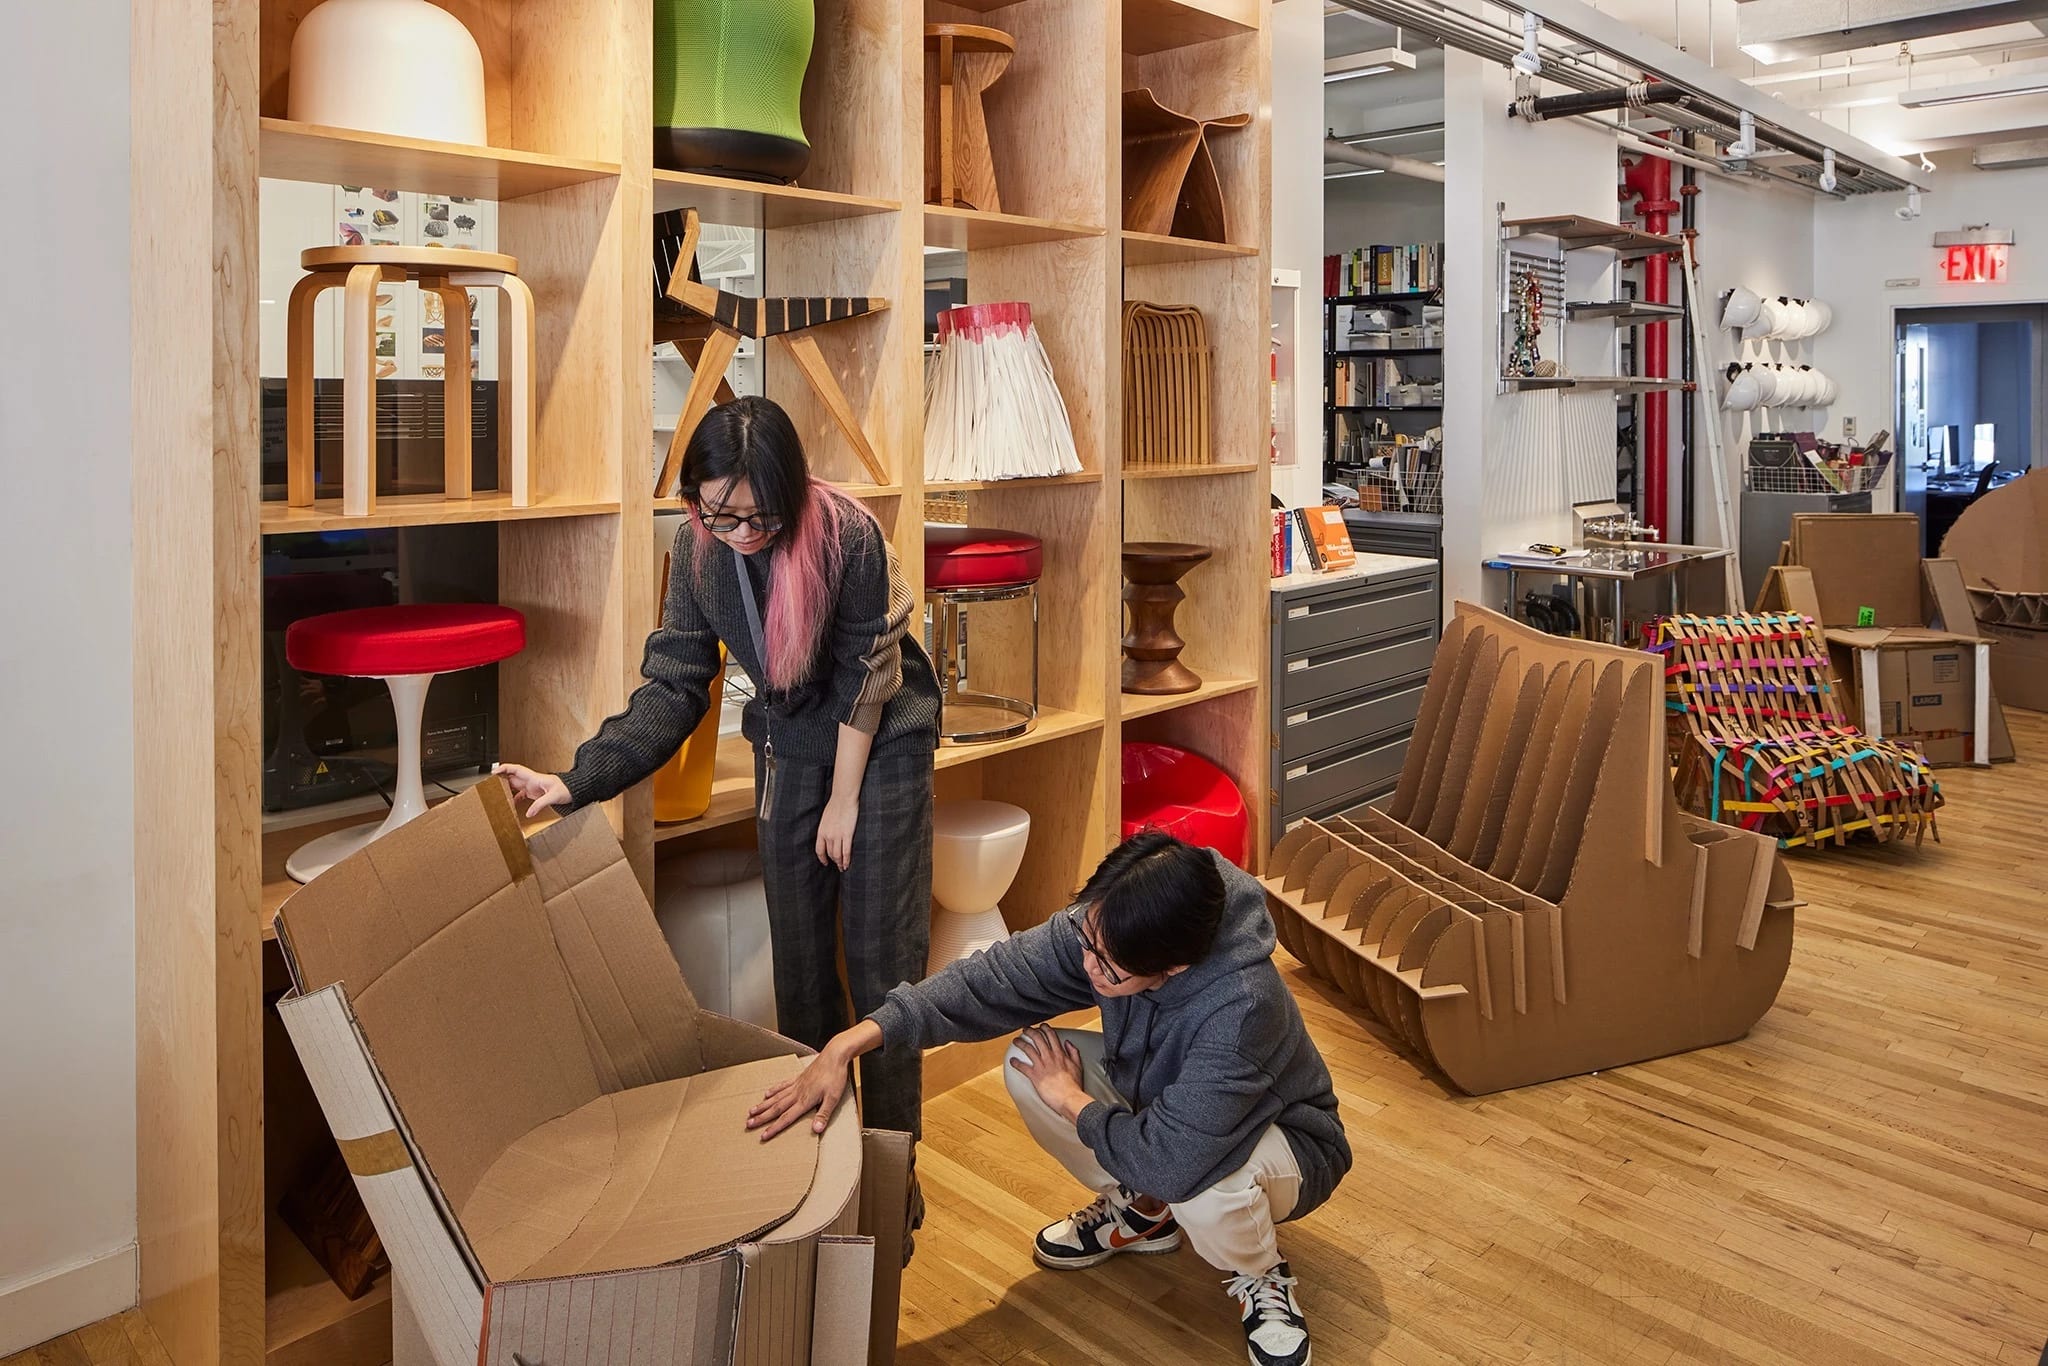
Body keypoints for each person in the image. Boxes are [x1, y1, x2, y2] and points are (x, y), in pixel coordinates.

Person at [496, 394, 942, 1174]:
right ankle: (824, 1176)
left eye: (760, 519)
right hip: (791, 744)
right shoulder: (700, 553)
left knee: (882, 976)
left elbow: (866, 681)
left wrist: (843, 803)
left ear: (794, 495)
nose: (741, 535)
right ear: (695, 501)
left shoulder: (849, 538)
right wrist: (573, 782)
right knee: (801, 975)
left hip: (879, 743)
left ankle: (891, 1179)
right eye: (720, 516)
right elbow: (674, 687)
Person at [747, 831, 1351, 1366]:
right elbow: (991, 979)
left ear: (1173, 968)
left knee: (1207, 1188)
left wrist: (1072, 1101)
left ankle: (1261, 1273)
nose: (1086, 966)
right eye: (1085, 940)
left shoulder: (1242, 1003)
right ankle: (1143, 1212)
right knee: (1026, 1060)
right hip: (1171, 1112)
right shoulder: (1117, 920)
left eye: (1106, 968)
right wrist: (848, 1043)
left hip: (1287, 1142)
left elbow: (1176, 1162)